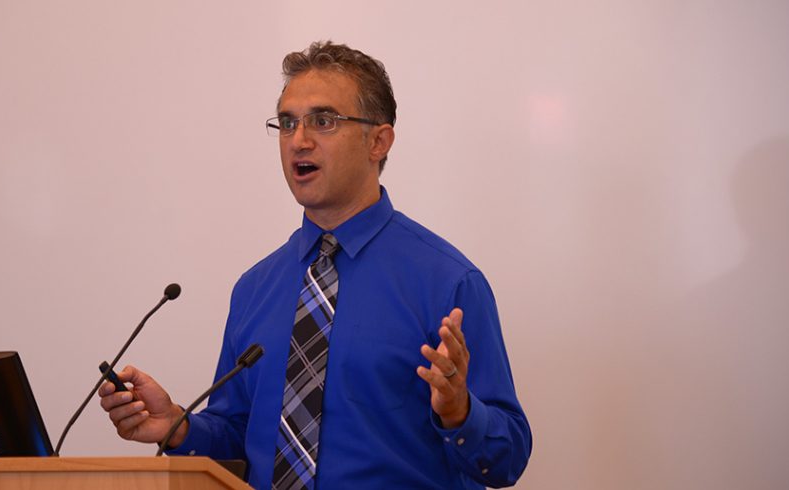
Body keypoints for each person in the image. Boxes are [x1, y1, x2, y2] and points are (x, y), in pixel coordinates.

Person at [100, 41, 532, 489]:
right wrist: (179, 425)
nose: (299, 140)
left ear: (378, 140)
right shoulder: (255, 288)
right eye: (287, 123)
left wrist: (460, 411)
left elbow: (507, 460)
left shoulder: (448, 282)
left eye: (323, 121)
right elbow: (240, 441)